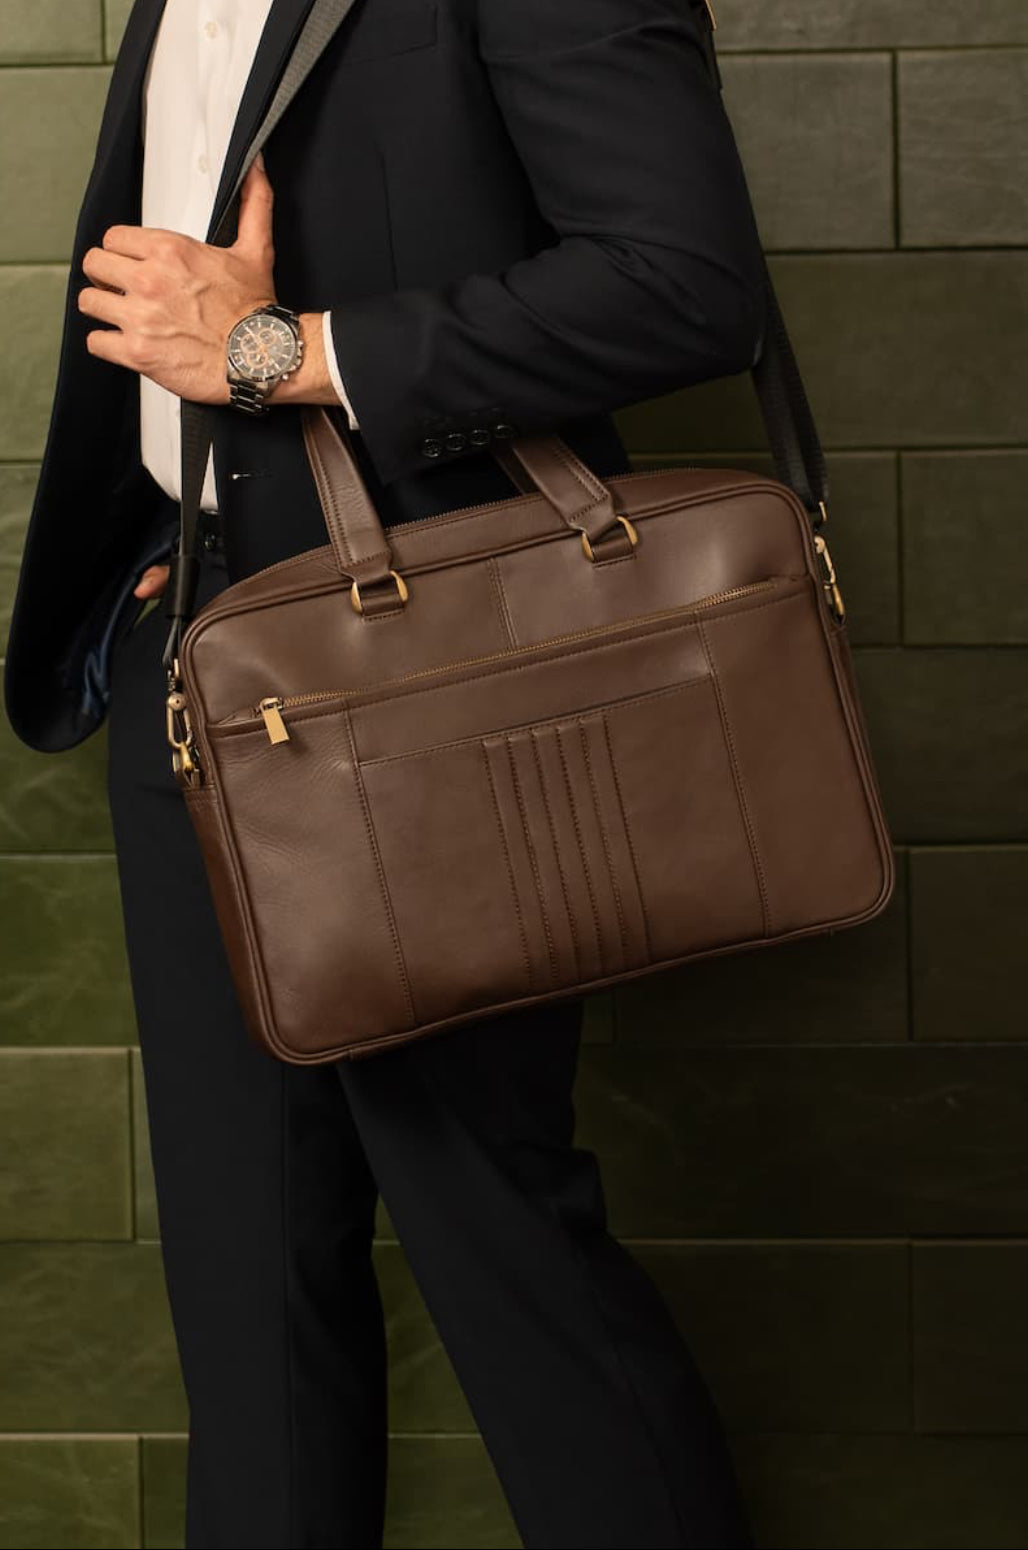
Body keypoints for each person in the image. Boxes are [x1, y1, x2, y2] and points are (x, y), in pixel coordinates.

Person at [5, 3, 768, 1546]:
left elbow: (682, 278)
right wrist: (184, 536)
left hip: (428, 684)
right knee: (248, 1291)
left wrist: (280, 353)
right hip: (200, 658)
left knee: (502, 1243)